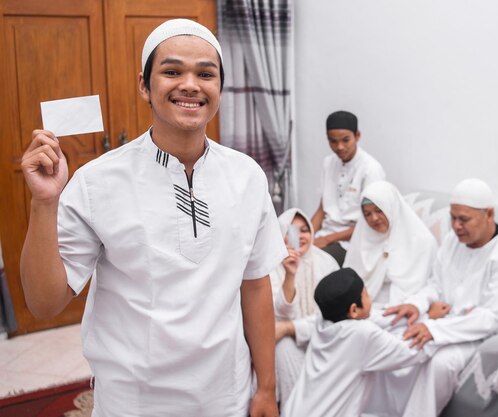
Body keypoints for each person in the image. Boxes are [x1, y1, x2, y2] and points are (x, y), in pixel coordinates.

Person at [19, 19, 286, 417]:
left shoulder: (246, 176)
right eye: (172, 71)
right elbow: (43, 303)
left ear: (219, 89)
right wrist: (44, 204)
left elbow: (255, 285)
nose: (191, 85)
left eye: (206, 74)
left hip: (225, 396)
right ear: (145, 85)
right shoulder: (97, 182)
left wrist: (266, 387)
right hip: (134, 401)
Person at [378, 178, 498, 417]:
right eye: (453, 217)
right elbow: (435, 285)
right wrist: (417, 305)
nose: (456, 226)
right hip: (453, 320)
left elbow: (492, 317)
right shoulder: (453, 240)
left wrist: (434, 329)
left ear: (489, 215)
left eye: (464, 219)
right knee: (397, 338)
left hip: (491, 334)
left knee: (441, 363)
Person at [282, 268, 428, 417]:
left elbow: (377, 315)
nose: (370, 297)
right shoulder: (361, 333)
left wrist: (421, 311)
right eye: (366, 294)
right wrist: (430, 325)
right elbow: (411, 351)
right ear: (353, 310)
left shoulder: (324, 321)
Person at [270, 208, 339, 409]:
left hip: (323, 336)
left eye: (304, 230)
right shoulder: (270, 265)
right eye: (291, 231)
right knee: (283, 348)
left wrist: (295, 327)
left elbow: (334, 314)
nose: (299, 237)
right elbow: (279, 318)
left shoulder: (326, 262)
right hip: (285, 339)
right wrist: (290, 275)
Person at [344, 180, 438, 306]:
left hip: (406, 309)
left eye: (379, 210)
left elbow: (428, 288)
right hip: (362, 309)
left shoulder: (423, 242)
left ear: (392, 207)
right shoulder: (362, 240)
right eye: (367, 214)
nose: (374, 218)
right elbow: (349, 282)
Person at [311, 110, 385, 265]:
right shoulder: (328, 163)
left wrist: (326, 240)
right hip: (325, 236)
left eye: (346, 140)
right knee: (287, 255)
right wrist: (306, 234)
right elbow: (322, 210)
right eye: (333, 141)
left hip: (352, 242)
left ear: (357, 136)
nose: (339, 147)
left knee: (311, 263)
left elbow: (370, 223)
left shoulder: (370, 169)